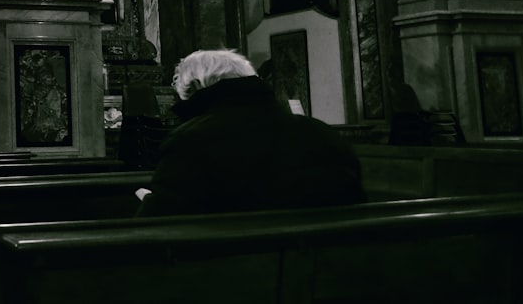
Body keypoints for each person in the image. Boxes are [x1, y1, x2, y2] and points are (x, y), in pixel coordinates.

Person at [136, 49, 365, 216]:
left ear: (194, 88)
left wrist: (149, 201)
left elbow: (160, 223)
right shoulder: (322, 135)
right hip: (330, 271)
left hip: (229, 274)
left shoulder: (190, 142)